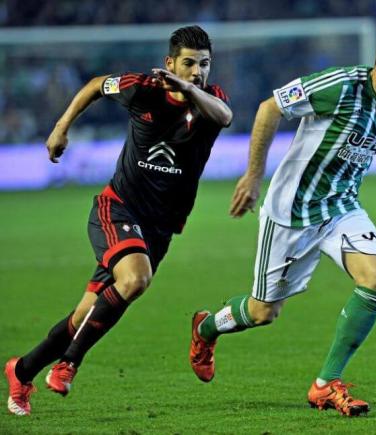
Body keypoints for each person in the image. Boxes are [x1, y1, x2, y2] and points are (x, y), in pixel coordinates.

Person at [189, 30, 376, 417]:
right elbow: (270, 108)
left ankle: (325, 384)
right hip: (290, 212)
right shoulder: (339, 86)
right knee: (262, 311)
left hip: (341, 208)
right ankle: (206, 328)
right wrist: (253, 177)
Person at [4, 25, 232, 416]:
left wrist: (193, 90)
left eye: (204, 64)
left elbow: (226, 117)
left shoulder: (210, 102)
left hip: (161, 227)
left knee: (85, 314)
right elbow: (95, 85)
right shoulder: (141, 87)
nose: (197, 72)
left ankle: (20, 371)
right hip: (118, 208)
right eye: (189, 63)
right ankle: (68, 364)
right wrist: (61, 128)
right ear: (170, 63)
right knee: (135, 279)